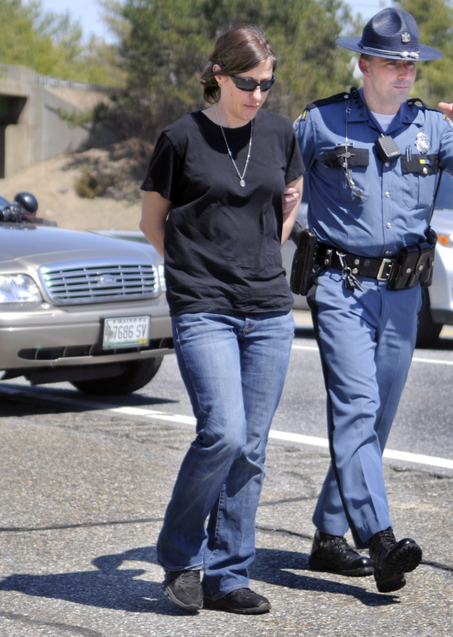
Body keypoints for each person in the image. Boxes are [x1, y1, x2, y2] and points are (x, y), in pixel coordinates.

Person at [293, 8, 453, 594]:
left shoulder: (434, 128)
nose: (404, 72)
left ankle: (329, 535)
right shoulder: (320, 122)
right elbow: (276, 184)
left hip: (405, 293)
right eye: (391, 61)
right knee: (356, 406)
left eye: (411, 62)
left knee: (377, 414)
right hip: (342, 287)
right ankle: (380, 540)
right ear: (363, 63)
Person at [140, 24, 304, 614]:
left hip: (267, 309)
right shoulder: (181, 137)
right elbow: (151, 221)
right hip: (203, 306)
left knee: (252, 448)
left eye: (266, 83)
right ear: (218, 74)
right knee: (223, 433)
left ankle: (229, 574)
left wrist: (261, 254)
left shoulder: (282, 132)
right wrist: (193, 272)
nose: (258, 94)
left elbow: (289, 194)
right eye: (247, 82)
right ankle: (181, 558)